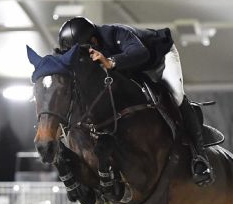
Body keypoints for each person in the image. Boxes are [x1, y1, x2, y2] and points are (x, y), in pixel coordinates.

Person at [56, 16, 213, 186]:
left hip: (158, 58)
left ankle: (199, 157)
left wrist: (110, 62)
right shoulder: (88, 52)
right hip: (131, 67)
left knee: (176, 95)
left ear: (94, 41)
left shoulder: (116, 33)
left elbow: (141, 53)